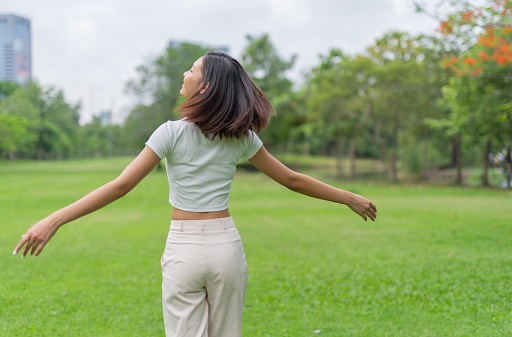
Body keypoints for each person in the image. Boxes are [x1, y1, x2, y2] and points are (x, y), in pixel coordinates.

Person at [13, 51, 377, 337]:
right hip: (226, 248)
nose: (185, 75)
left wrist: (54, 219)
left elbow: (121, 185)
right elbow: (291, 179)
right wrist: (349, 197)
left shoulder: (170, 133)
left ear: (205, 88)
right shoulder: (241, 137)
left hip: (184, 250)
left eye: (192, 70)